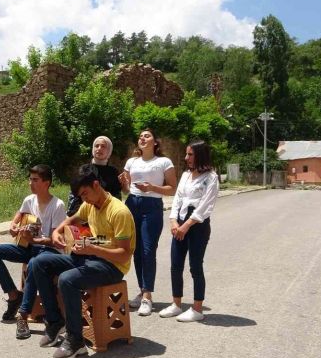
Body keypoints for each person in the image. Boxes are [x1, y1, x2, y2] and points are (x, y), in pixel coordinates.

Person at [30, 164, 135, 358]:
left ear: (96, 185)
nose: (84, 199)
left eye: (85, 194)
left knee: (67, 279)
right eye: (80, 196)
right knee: (39, 262)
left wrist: (93, 249)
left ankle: (75, 340)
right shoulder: (89, 205)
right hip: (90, 257)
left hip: (112, 266)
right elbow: (70, 221)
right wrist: (57, 232)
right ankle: (55, 322)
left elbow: (124, 255)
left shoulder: (119, 212)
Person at [0, 164, 67, 339]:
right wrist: (13, 226)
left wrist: (34, 240)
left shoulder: (58, 205)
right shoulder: (29, 200)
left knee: (35, 263)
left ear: (47, 183)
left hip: (48, 250)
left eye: (35, 180)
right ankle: (13, 295)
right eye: (30, 179)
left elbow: (55, 240)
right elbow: (18, 216)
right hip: (28, 247)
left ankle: (23, 314)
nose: (30, 183)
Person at [118, 129, 176, 316]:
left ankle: (147, 296)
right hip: (132, 204)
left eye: (147, 136)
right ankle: (143, 291)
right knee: (136, 250)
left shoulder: (163, 162)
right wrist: (124, 184)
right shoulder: (131, 162)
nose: (142, 138)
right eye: (140, 136)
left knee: (148, 250)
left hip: (152, 206)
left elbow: (172, 189)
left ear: (155, 142)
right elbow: (126, 190)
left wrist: (151, 187)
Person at [159, 140, 218, 322]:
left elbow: (205, 206)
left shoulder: (211, 178)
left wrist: (186, 226)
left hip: (197, 226)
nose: (186, 158)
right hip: (180, 222)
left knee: (195, 266)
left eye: (190, 154)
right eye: (187, 154)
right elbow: (178, 199)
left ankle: (197, 309)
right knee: (175, 265)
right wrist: (173, 221)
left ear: (200, 155)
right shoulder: (185, 175)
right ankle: (176, 304)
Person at [66, 136, 122, 216]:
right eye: (97, 146)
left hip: (106, 214)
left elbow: (116, 197)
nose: (99, 148)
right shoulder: (84, 169)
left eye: (103, 146)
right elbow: (75, 194)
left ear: (109, 150)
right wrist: (75, 214)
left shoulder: (113, 171)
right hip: (85, 214)